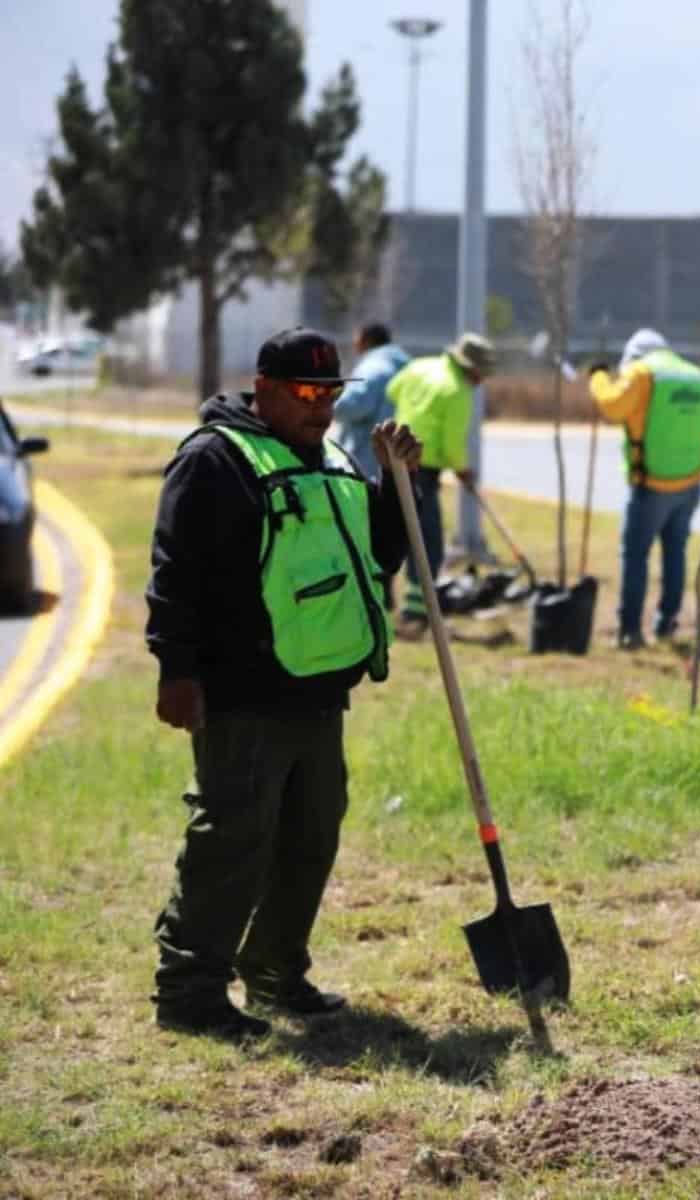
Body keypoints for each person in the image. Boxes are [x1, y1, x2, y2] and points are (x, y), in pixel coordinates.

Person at [146, 326, 422, 1041]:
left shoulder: (330, 458)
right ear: (263, 388)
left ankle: (274, 971)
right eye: (305, 393)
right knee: (233, 839)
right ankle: (189, 991)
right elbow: (174, 573)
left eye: (331, 393)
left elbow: (379, 554)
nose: (320, 407)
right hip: (241, 691)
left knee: (311, 835)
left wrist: (398, 485)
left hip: (317, 690)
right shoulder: (214, 461)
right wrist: (176, 671)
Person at [587, 328, 700, 650]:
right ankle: (666, 624)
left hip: (651, 486)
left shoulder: (643, 373)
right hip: (689, 484)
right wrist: (697, 470)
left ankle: (630, 630)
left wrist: (598, 376)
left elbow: (612, 407)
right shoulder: (697, 377)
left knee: (635, 556)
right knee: (676, 553)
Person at [387, 332, 495, 638]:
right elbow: (451, 443)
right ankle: (416, 614)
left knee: (398, 533)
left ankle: (396, 604)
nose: (482, 380)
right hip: (423, 468)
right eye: (481, 373)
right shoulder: (457, 391)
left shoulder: (418, 367)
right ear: (471, 368)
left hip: (395, 460)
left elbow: (393, 392)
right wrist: (463, 470)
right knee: (427, 542)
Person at [328, 322, 410, 479]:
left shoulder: (374, 367)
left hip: (367, 458)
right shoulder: (402, 366)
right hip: (395, 457)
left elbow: (351, 406)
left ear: (365, 339)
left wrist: (326, 402)